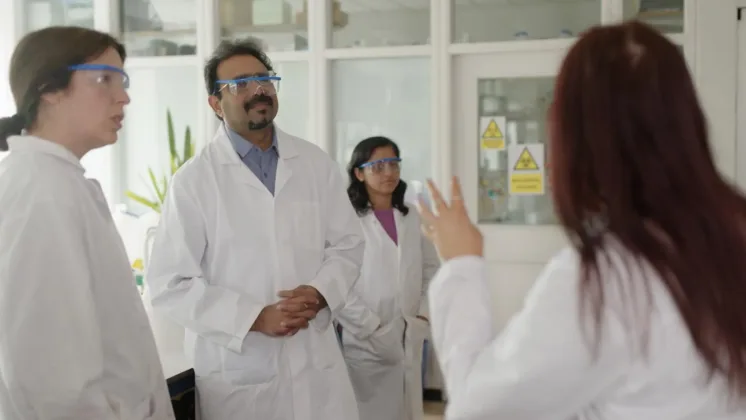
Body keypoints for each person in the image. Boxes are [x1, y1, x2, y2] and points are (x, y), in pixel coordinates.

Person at [417, 21, 746, 420]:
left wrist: (461, 264)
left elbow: (480, 406)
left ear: (576, 136)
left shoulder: (610, 278)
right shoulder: (729, 234)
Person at [145, 38, 365, 420]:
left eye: (264, 79)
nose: (258, 90)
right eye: (241, 84)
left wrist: (319, 292)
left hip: (316, 368)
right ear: (215, 103)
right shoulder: (194, 182)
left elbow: (347, 245)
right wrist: (253, 317)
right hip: (242, 374)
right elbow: (170, 283)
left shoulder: (314, 163)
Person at [0, 27, 174, 419]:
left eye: (122, 81)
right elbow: (51, 376)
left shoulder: (61, 183)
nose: (124, 97)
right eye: (104, 80)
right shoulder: (40, 193)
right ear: (48, 88)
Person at [335, 136, 439, 420]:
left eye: (394, 164)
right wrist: (371, 326)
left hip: (409, 331)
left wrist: (423, 316)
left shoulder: (412, 216)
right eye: (378, 166)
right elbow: (337, 282)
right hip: (366, 339)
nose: (389, 173)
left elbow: (431, 269)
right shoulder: (347, 220)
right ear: (359, 173)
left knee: (408, 411)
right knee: (370, 411)